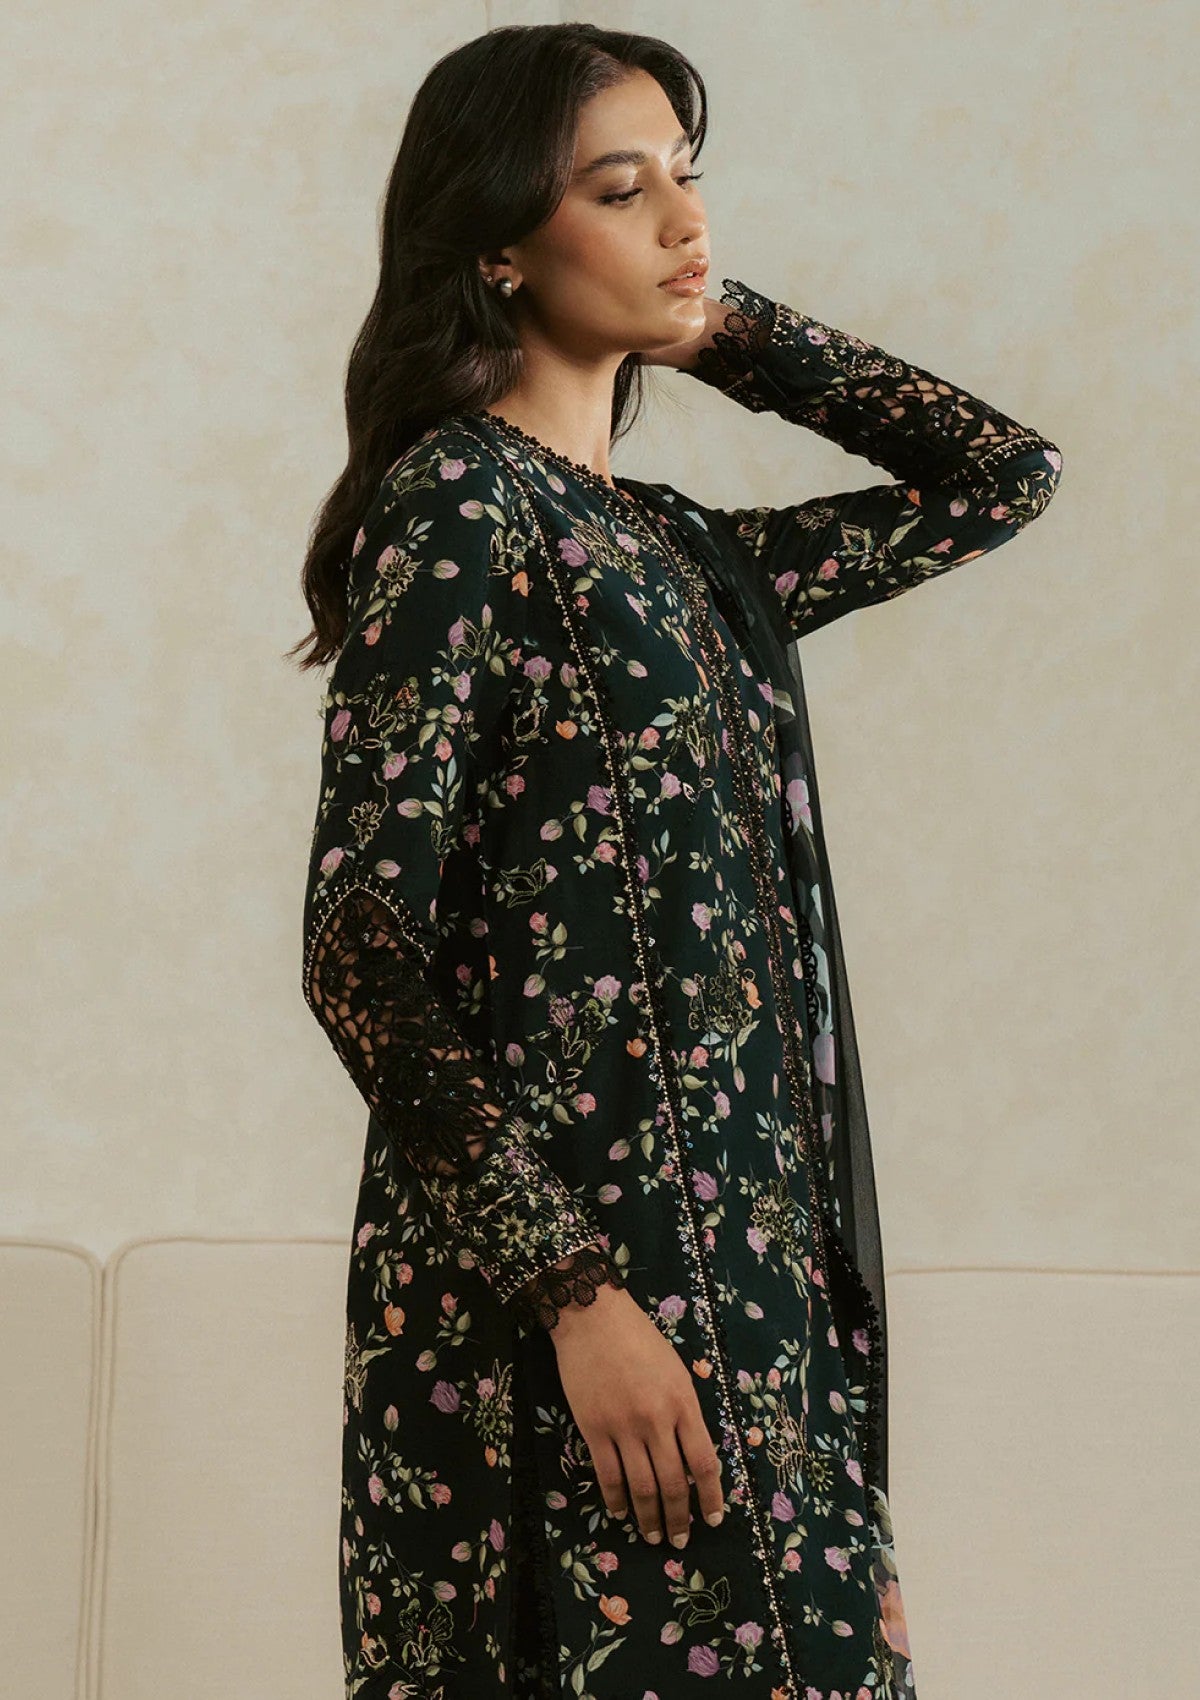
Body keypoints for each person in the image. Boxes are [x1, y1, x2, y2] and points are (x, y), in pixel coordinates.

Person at [290, 21, 1062, 1700]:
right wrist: (576, 1297)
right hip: (569, 1312)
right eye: (620, 190)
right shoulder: (462, 508)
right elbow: (357, 950)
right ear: (498, 242)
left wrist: (731, 330)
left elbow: (1002, 476)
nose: (683, 222)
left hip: (759, 1298)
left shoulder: (692, 556)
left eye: (688, 181)